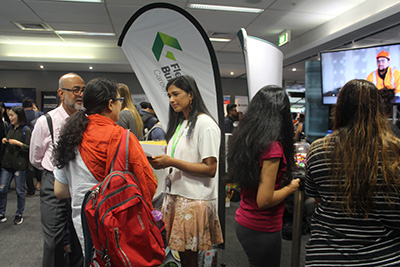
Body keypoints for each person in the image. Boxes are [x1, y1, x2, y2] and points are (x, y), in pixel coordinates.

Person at [52, 77, 158, 256]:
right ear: (110, 104)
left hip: (85, 223)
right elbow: (148, 185)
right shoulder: (123, 138)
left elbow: (60, 191)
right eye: (119, 101)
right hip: (119, 221)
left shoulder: (71, 136)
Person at [305, 79, 400, 266]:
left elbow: (316, 198)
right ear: (378, 109)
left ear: (339, 109)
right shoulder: (395, 151)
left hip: (325, 255)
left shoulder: (317, 150)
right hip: (383, 256)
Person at [149, 75, 223, 266]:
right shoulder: (182, 123)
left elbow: (210, 168)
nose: (172, 100)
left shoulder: (205, 124)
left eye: (176, 94)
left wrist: (171, 161)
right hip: (177, 196)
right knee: (184, 255)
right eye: (169, 96)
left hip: (193, 199)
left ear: (191, 95)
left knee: (189, 258)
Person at [227, 85, 300, 267]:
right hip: (261, 226)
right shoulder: (272, 148)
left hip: (245, 220)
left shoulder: (249, 140)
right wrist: (291, 187)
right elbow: (265, 199)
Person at [30, 72, 85, 267]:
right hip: (52, 182)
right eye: (75, 90)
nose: (80, 94)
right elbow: (35, 158)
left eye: (82, 89)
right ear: (61, 93)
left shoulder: (88, 120)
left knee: (81, 238)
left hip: (80, 183)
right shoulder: (46, 121)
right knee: (54, 241)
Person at [0, 106, 31, 224]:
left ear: (19, 116)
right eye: (9, 115)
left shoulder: (26, 130)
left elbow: (29, 148)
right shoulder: (9, 128)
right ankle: (1, 212)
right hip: (7, 164)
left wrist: (18, 143)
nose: (10, 118)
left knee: (19, 190)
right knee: (2, 189)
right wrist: (5, 141)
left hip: (20, 164)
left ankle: (19, 213)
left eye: (12, 115)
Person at [22, 97, 44, 194]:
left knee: (28, 166)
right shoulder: (39, 115)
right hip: (39, 141)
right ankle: (39, 183)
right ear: (32, 105)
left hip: (24, 142)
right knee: (39, 164)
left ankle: (30, 187)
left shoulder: (20, 114)